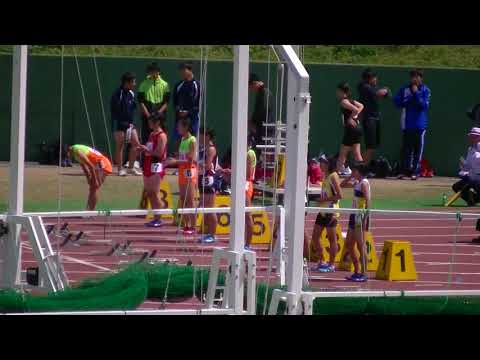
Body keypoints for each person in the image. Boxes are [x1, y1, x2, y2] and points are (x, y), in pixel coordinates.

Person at [394, 68, 431, 181]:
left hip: (420, 125)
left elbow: (424, 105)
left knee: (418, 150)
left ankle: (416, 171)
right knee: (406, 149)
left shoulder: (425, 90)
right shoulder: (404, 89)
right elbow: (397, 102)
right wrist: (407, 100)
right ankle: (404, 171)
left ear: (421, 78)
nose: (414, 79)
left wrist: (416, 93)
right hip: (407, 124)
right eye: (412, 77)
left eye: (417, 76)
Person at [164, 117, 197, 235]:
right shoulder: (183, 139)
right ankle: (186, 225)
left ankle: (193, 226)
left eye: (179, 126)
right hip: (182, 171)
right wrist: (174, 157)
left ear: (186, 127)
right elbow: (183, 156)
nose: (177, 128)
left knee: (190, 200)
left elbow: (190, 160)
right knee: (183, 199)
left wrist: (174, 161)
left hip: (189, 171)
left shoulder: (192, 140)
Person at [310, 155, 343, 273]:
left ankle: (331, 264)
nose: (320, 165)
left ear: (328, 164)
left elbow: (339, 196)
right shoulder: (325, 176)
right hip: (323, 211)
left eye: (323, 163)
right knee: (315, 237)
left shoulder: (333, 176)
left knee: (332, 239)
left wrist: (322, 200)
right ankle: (322, 260)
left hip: (330, 211)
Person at [341, 162, 371, 282]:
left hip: (360, 216)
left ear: (359, 171)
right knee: (349, 244)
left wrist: (365, 218)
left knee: (360, 245)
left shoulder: (364, 183)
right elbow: (342, 185)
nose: (353, 172)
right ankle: (357, 270)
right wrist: (350, 177)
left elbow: (368, 200)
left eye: (354, 170)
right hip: (353, 215)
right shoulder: (357, 182)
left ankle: (364, 273)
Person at [137, 114, 168, 227]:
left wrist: (147, 150)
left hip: (157, 165)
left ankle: (158, 218)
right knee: (149, 192)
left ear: (157, 122)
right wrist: (143, 149)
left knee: (155, 192)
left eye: (151, 121)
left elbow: (159, 153)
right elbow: (150, 149)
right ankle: (155, 217)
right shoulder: (151, 134)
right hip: (147, 164)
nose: (149, 124)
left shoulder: (161, 135)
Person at [110, 72, 142, 177]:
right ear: (126, 83)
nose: (134, 84)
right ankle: (119, 169)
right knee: (120, 145)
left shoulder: (131, 93)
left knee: (136, 144)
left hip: (130, 124)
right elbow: (114, 111)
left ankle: (131, 168)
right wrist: (122, 123)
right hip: (118, 124)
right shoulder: (117, 94)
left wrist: (131, 123)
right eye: (133, 82)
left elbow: (132, 109)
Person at [357, 68, 390, 169]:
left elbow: (385, 93)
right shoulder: (364, 87)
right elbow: (379, 93)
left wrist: (386, 91)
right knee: (370, 147)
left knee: (372, 147)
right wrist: (385, 90)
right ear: (369, 78)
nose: (376, 80)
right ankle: (359, 169)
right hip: (369, 119)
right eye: (374, 78)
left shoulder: (371, 87)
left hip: (375, 119)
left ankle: (364, 168)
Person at [67, 144, 113, 210]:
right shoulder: (75, 154)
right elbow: (85, 168)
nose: (68, 158)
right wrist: (88, 179)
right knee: (92, 188)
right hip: (97, 165)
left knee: (94, 188)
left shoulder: (78, 151)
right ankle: (88, 210)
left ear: (69, 151)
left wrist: (95, 180)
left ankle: (90, 211)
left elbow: (91, 166)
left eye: (67, 156)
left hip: (102, 163)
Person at [336, 82, 365, 176]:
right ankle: (361, 173)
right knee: (357, 153)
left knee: (343, 152)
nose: (337, 93)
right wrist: (355, 117)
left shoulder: (344, 101)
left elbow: (356, 109)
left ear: (341, 91)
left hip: (351, 129)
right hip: (357, 128)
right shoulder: (351, 100)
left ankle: (339, 171)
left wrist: (350, 118)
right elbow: (361, 106)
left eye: (338, 91)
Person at [138, 62, 170, 145]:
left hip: (160, 117)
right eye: (151, 71)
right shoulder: (143, 84)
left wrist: (159, 114)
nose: (152, 73)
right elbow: (141, 102)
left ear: (158, 71)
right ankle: (146, 157)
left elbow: (166, 102)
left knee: (161, 136)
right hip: (147, 117)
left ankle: (161, 156)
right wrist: (148, 116)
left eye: (154, 71)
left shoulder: (165, 85)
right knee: (147, 138)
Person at [198, 127, 219, 244]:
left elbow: (208, 166)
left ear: (207, 136)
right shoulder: (203, 149)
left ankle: (212, 234)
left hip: (209, 179)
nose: (199, 138)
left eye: (201, 135)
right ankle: (208, 233)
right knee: (205, 207)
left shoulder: (210, 149)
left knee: (210, 208)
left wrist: (196, 164)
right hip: (203, 179)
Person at [173, 62, 201, 149]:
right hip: (180, 119)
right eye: (180, 71)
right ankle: (177, 160)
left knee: (191, 140)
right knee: (178, 140)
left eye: (184, 70)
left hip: (192, 119)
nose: (182, 73)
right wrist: (179, 111)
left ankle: (191, 161)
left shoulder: (197, 85)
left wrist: (188, 112)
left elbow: (198, 104)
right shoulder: (178, 85)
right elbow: (175, 102)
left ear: (190, 70)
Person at [452, 127, 480, 206]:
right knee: (456, 187)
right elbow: (467, 166)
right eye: (471, 136)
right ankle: (472, 200)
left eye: (474, 136)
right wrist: (462, 168)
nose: (472, 138)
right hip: (473, 177)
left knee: (475, 183)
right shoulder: (470, 149)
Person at [248, 73, 276, 146]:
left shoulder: (264, 93)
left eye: (250, 87)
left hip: (265, 130)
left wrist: (253, 123)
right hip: (263, 129)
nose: (251, 89)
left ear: (254, 83)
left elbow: (264, 110)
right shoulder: (262, 93)